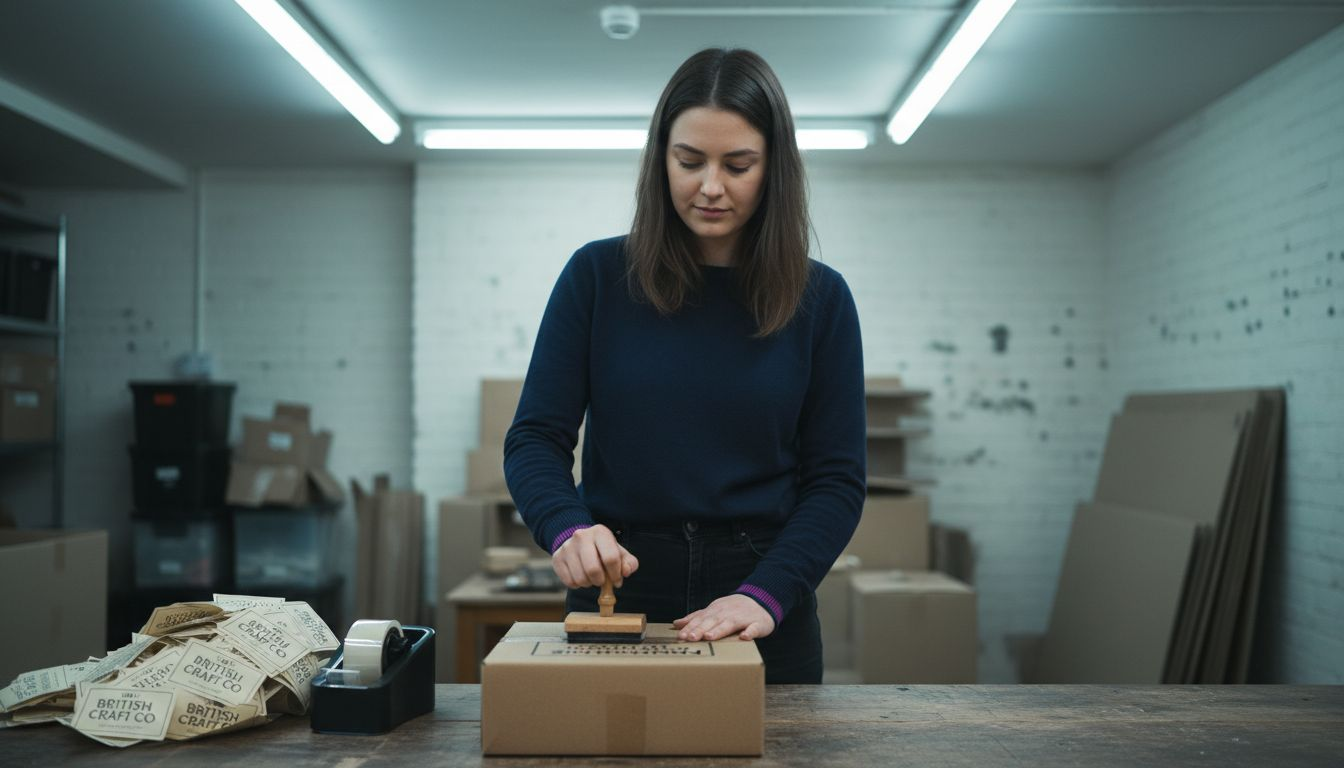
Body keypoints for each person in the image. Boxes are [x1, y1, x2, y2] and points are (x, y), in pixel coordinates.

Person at [503, 47, 865, 684]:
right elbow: (535, 438)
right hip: (622, 588)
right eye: (690, 161)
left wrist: (767, 594)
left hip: (760, 597)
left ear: (774, 168)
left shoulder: (821, 298)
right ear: (659, 159)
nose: (712, 186)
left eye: (740, 164)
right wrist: (565, 528)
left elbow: (836, 480)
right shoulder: (596, 277)